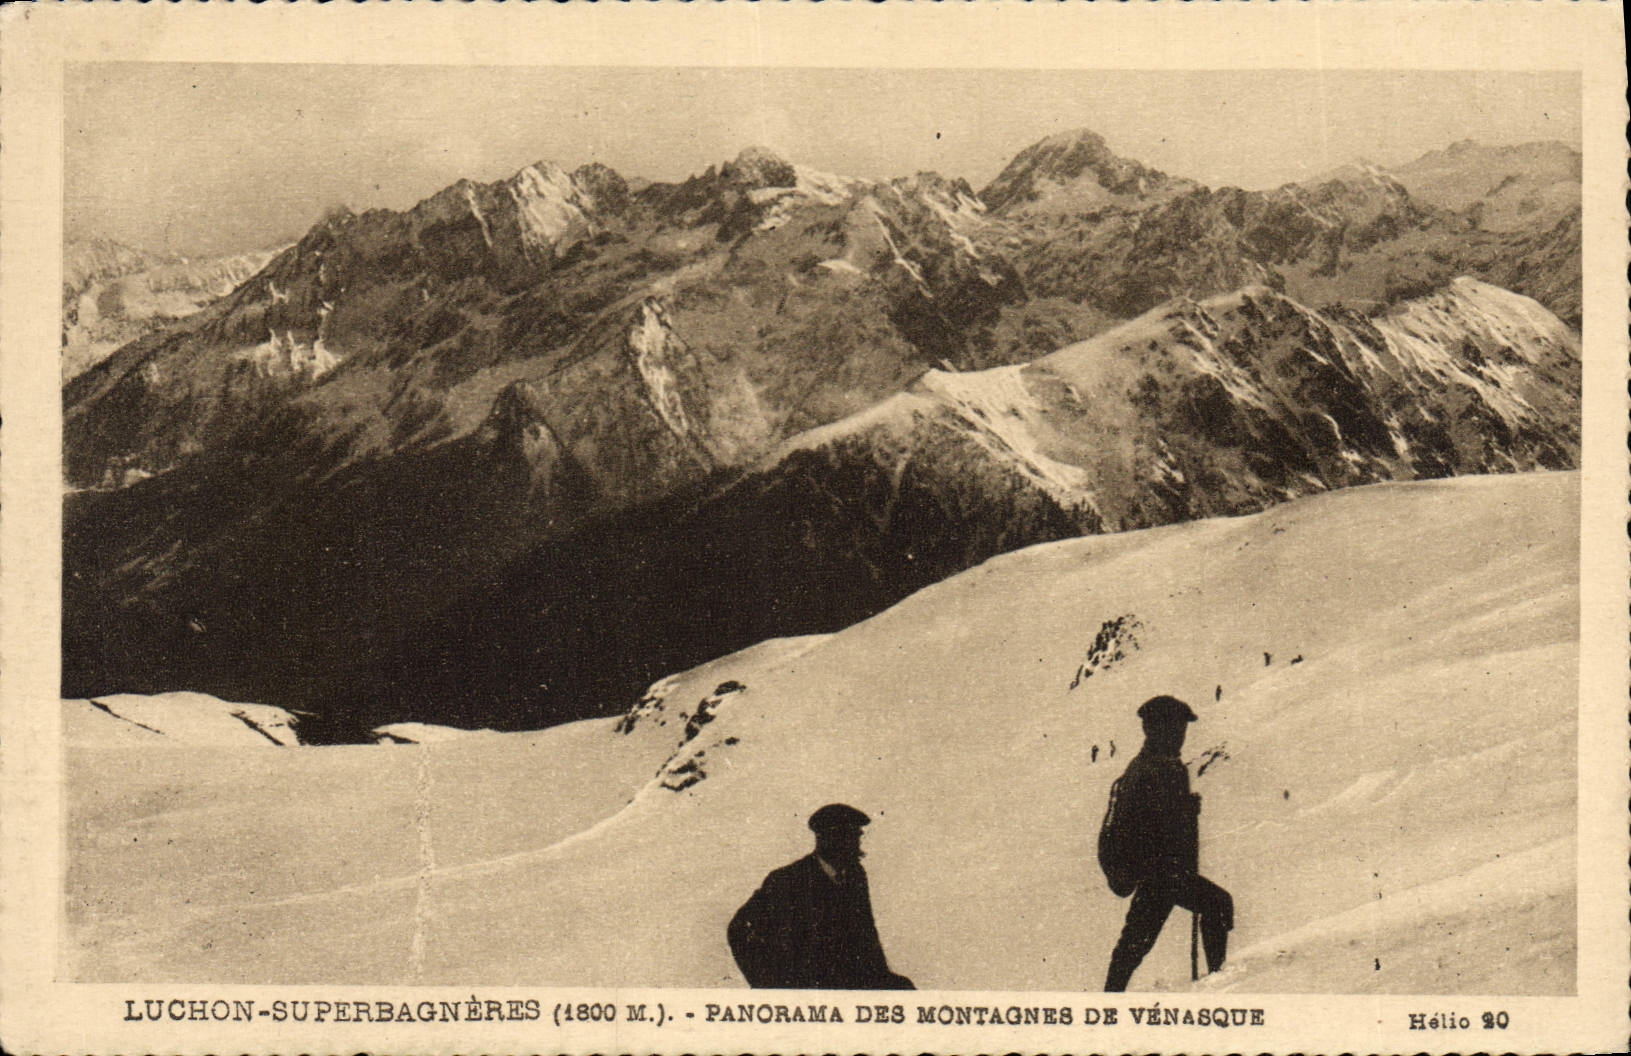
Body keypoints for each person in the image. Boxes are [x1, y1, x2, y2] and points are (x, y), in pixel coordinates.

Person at [1102, 695, 1233, 992]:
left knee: (1134, 944)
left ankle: (1111, 996)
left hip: (1163, 872)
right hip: (1160, 873)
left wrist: (1184, 809)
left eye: (1182, 730)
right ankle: (1216, 982)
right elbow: (1146, 825)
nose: (1181, 736)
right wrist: (1183, 812)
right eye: (1175, 729)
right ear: (1155, 730)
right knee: (1136, 943)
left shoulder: (1156, 766)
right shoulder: (1153, 770)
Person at [727, 803, 914, 989]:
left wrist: (881, 975)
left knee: (905, 990)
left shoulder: (855, 875)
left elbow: (866, 935)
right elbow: (738, 929)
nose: (856, 846)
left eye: (856, 838)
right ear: (827, 840)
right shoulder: (787, 879)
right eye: (848, 838)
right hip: (809, 990)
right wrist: (768, 986)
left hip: (851, 981)